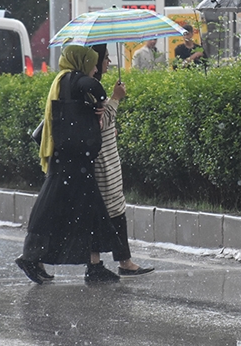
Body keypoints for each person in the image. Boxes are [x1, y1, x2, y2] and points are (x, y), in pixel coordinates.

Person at [15, 45, 124, 285]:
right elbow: (91, 85)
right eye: (92, 64)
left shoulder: (64, 81)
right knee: (53, 211)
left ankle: (93, 265)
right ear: (81, 62)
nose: (95, 69)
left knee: (88, 212)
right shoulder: (72, 79)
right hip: (71, 162)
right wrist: (103, 100)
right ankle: (32, 257)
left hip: (73, 161)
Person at [91, 44, 155, 277]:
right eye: (105, 58)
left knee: (115, 208)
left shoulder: (92, 85)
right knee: (108, 210)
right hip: (103, 161)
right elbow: (99, 123)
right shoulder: (89, 87)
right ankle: (103, 263)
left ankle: (120, 261)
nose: (109, 62)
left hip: (109, 156)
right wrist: (116, 98)